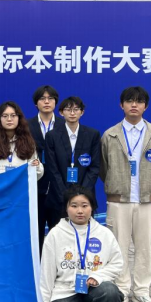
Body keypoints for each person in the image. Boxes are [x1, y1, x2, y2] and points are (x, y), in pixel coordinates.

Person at [100, 86, 151, 302]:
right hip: (118, 200)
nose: (134, 105)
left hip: (147, 201)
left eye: (139, 101)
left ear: (145, 106)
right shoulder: (110, 135)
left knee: (145, 247)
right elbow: (103, 167)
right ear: (121, 105)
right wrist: (115, 183)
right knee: (118, 246)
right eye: (129, 101)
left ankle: (141, 291)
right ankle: (121, 289)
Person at [40, 185, 124, 302]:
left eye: (85, 205)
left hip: (92, 289)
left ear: (92, 207)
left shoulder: (104, 233)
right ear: (66, 208)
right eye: (74, 206)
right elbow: (46, 273)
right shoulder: (55, 234)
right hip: (64, 291)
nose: (80, 211)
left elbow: (117, 263)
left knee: (111, 292)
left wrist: (97, 276)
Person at [45, 97, 101, 233]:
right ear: (61, 112)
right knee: (59, 236)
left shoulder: (92, 135)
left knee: (84, 236)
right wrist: (66, 196)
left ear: (82, 112)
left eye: (76, 109)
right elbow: (52, 169)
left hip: (85, 199)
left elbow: (94, 168)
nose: (72, 113)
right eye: (68, 109)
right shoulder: (52, 136)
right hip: (58, 198)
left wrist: (82, 195)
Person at [28, 86, 65, 249]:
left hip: (58, 188)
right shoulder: (26, 126)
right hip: (35, 188)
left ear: (56, 102)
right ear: (36, 103)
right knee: (35, 235)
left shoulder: (64, 125)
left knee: (59, 235)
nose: (47, 102)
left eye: (50, 98)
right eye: (42, 98)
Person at [0, 101, 43, 180]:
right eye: (5, 116)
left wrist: (37, 166)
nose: (9, 119)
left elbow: (36, 174)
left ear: (19, 118)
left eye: (13, 115)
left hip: (19, 187)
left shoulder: (27, 141)